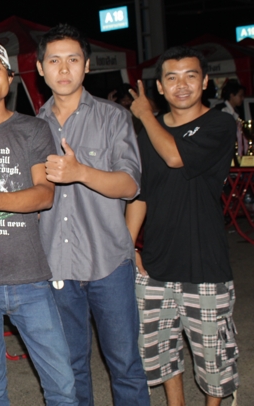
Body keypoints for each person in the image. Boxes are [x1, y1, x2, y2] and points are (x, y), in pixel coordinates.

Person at [0, 39, 77, 406]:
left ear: (10, 78)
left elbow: (45, 194)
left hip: (30, 277)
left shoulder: (34, 130)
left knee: (62, 384)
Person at [34, 24, 150, 406]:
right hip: (56, 265)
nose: (64, 68)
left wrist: (80, 171)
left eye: (73, 59)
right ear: (40, 68)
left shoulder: (113, 117)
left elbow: (130, 185)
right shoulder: (31, 127)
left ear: (86, 66)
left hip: (108, 262)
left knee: (125, 365)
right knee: (70, 368)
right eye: (54, 60)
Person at [126, 46, 238, 406]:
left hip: (205, 264)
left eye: (191, 76)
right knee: (159, 352)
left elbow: (175, 157)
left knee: (213, 359)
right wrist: (128, 246)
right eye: (171, 78)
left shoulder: (219, 124)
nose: (182, 85)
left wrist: (145, 115)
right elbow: (141, 194)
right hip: (156, 264)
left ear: (205, 82)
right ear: (160, 87)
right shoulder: (149, 133)